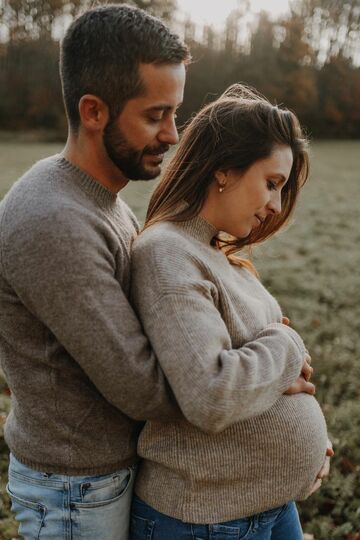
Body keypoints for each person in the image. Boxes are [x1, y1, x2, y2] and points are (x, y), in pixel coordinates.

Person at [0, 4, 189, 539]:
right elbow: (141, 386)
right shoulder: (52, 220)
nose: (173, 135)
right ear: (93, 111)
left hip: (100, 479)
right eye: (156, 115)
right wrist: (255, 379)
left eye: (175, 113)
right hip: (74, 493)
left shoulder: (96, 197)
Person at [130, 84, 333, 539]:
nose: (276, 206)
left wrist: (309, 446)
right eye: (272, 183)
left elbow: (268, 381)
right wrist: (285, 343)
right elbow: (212, 393)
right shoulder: (167, 254)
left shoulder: (215, 250)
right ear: (224, 169)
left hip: (264, 506)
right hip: (203, 518)